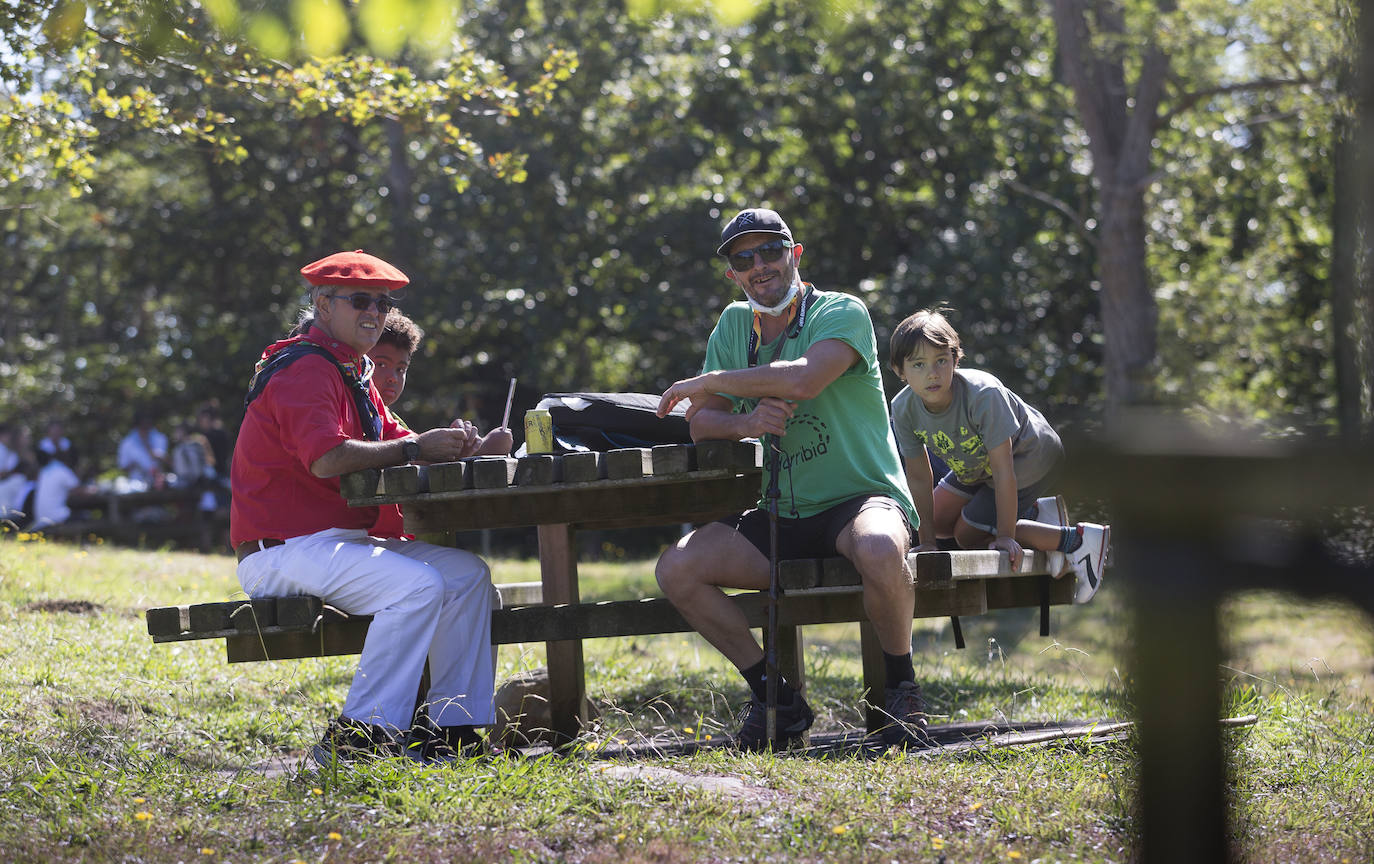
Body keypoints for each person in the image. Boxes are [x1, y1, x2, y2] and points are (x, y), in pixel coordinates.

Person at [655, 207, 926, 751]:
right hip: (783, 511)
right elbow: (701, 424)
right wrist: (747, 422)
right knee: (677, 568)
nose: (759, 266)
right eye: (742, 258)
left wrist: (713, 379)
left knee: (877, 547)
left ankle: (902, 692)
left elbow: (803, 379)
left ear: (795, 254)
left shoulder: (841, 311)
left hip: (862, 499)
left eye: (770, 251)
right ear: (732, 272)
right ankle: (777, 699)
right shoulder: (733, 326)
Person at [231, 249, 508, 766]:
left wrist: (467, 449)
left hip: (334, 545)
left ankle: (453, 735)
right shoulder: (305, 368)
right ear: (322, 302)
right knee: (417, 585)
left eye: (382, 303)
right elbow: (326, 459)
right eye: (361, 300)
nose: (375, 314)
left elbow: (406, 442)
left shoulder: (350, 369)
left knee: (468, 575)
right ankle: (360, 740)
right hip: (281, 552)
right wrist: (417, 448)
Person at [887, 308, 1110, 603]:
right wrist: (927, 542)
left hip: (1030, 456)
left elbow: (1004, 470)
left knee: (967, 534)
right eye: (918, 364)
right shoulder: (903, 409)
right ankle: (1034, 515)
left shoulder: (982, 395)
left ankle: (1078, 540)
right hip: (976, 465)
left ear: (955, 359)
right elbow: (918, 475)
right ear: (900, 371)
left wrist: (1006, 535)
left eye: (941, 360)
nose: (932, 373)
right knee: (939, 522)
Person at [117, 411, 169, 489]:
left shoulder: (160, 438)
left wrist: (156, 455)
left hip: (159, 484)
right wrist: (136, 464)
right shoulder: (127, 442)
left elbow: (167, 461)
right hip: (137, 484)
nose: (145, 427)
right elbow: (123, 467)